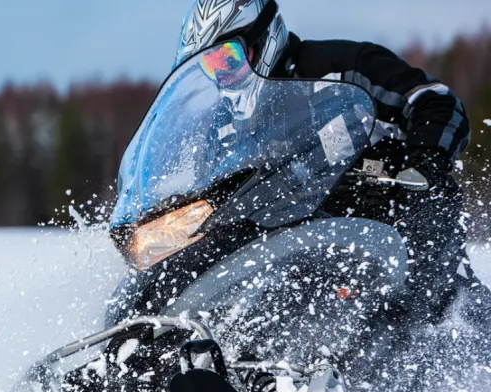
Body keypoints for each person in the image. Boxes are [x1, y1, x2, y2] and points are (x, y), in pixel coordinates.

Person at [174, 0, 491, 327]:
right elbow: (218, 192)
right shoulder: (225, 127)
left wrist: (425, 161)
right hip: (303, 247)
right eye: (211, 65)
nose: (223, 75)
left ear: (263, 39)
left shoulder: (345, 67)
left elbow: (435, 101)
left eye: (229, 58)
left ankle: (464, 340)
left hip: (394, 217)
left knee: (433, 304)